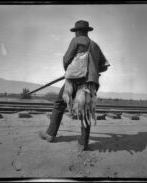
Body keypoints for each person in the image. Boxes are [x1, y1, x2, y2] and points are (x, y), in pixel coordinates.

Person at [39, 20, 110, 151]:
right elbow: (104, 66)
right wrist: (93, 70)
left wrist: (69, 70)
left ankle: (50, 134)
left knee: (59, 104)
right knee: (86, 109)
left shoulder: (76, 41)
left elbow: (66, 59)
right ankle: (83, 143)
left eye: (76, 32)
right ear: (87, 31)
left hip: (73, 80)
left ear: (78, 31)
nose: (76, 33)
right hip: (89, 83)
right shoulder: (95, 46)